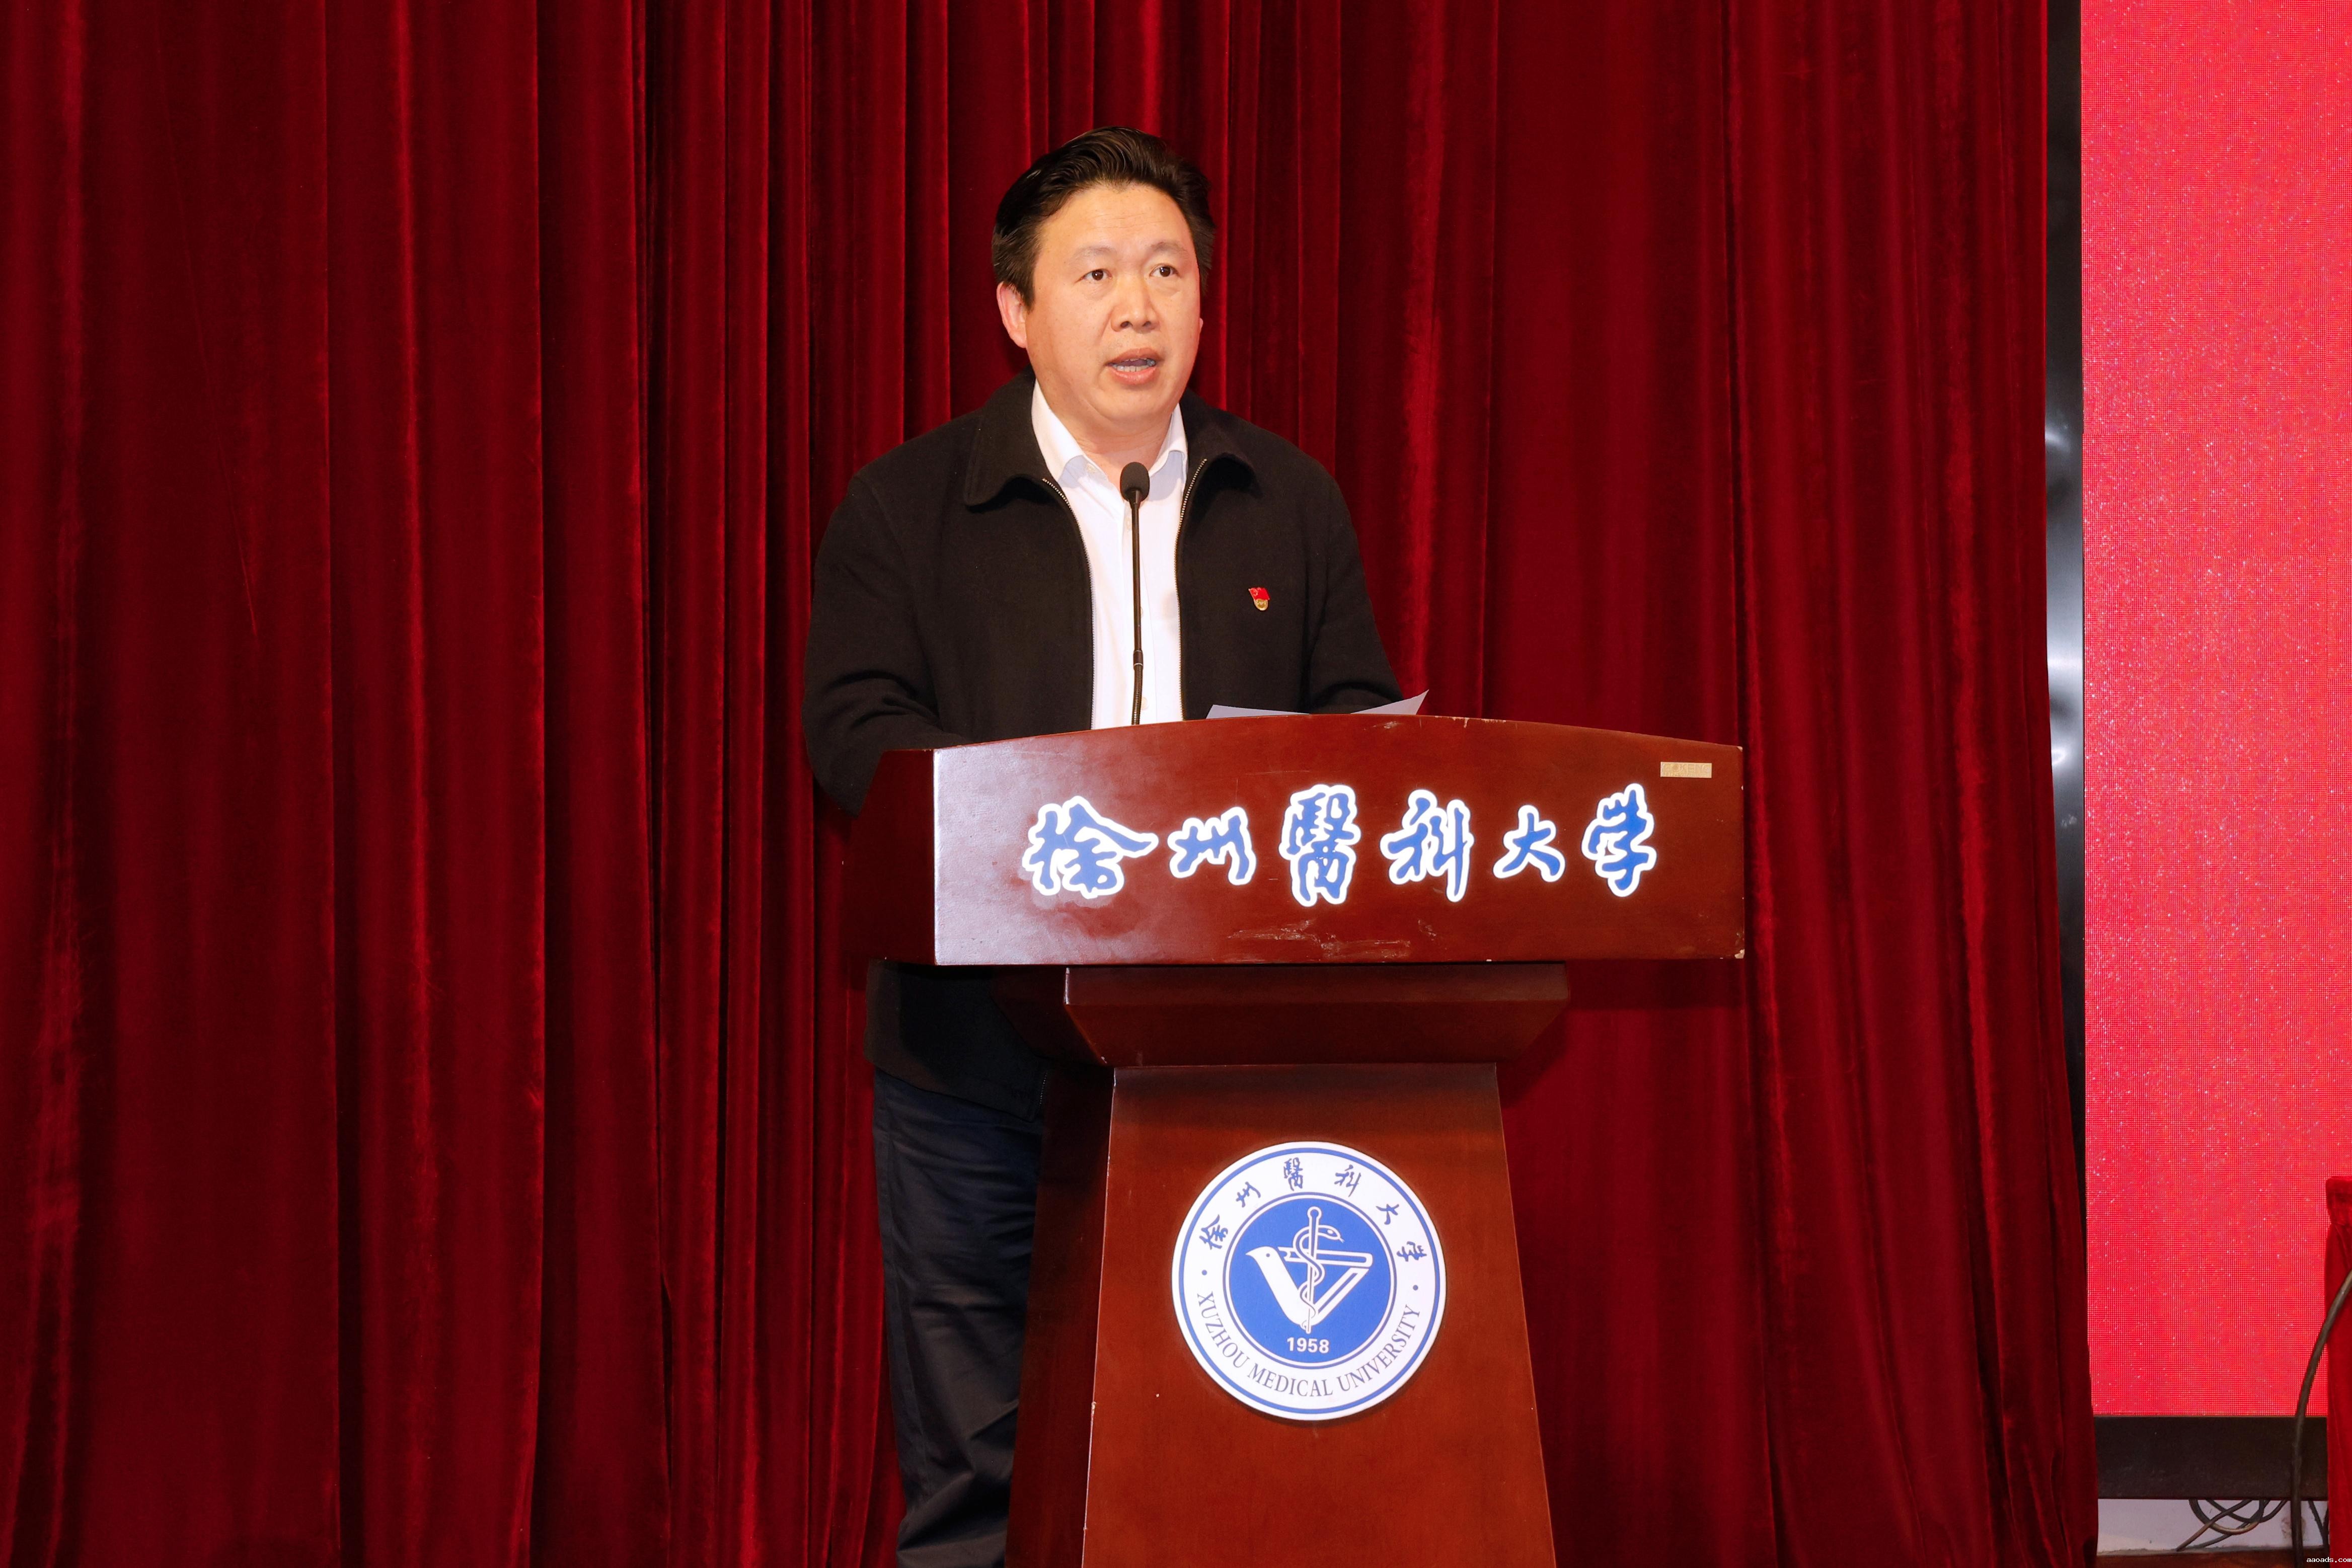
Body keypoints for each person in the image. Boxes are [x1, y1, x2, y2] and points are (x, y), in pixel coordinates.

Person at [802, 125, 1399, 1568]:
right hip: (976, 1057)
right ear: (1015, 311)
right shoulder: (909, 505)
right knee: (979, 1468)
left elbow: (1357, 736)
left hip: (1228, 1057)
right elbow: (855, 736)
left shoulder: (1285, 498)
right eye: (1096, 274)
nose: (1139, 307)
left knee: (1221, 1443)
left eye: (1168, 272)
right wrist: (1055, 832)